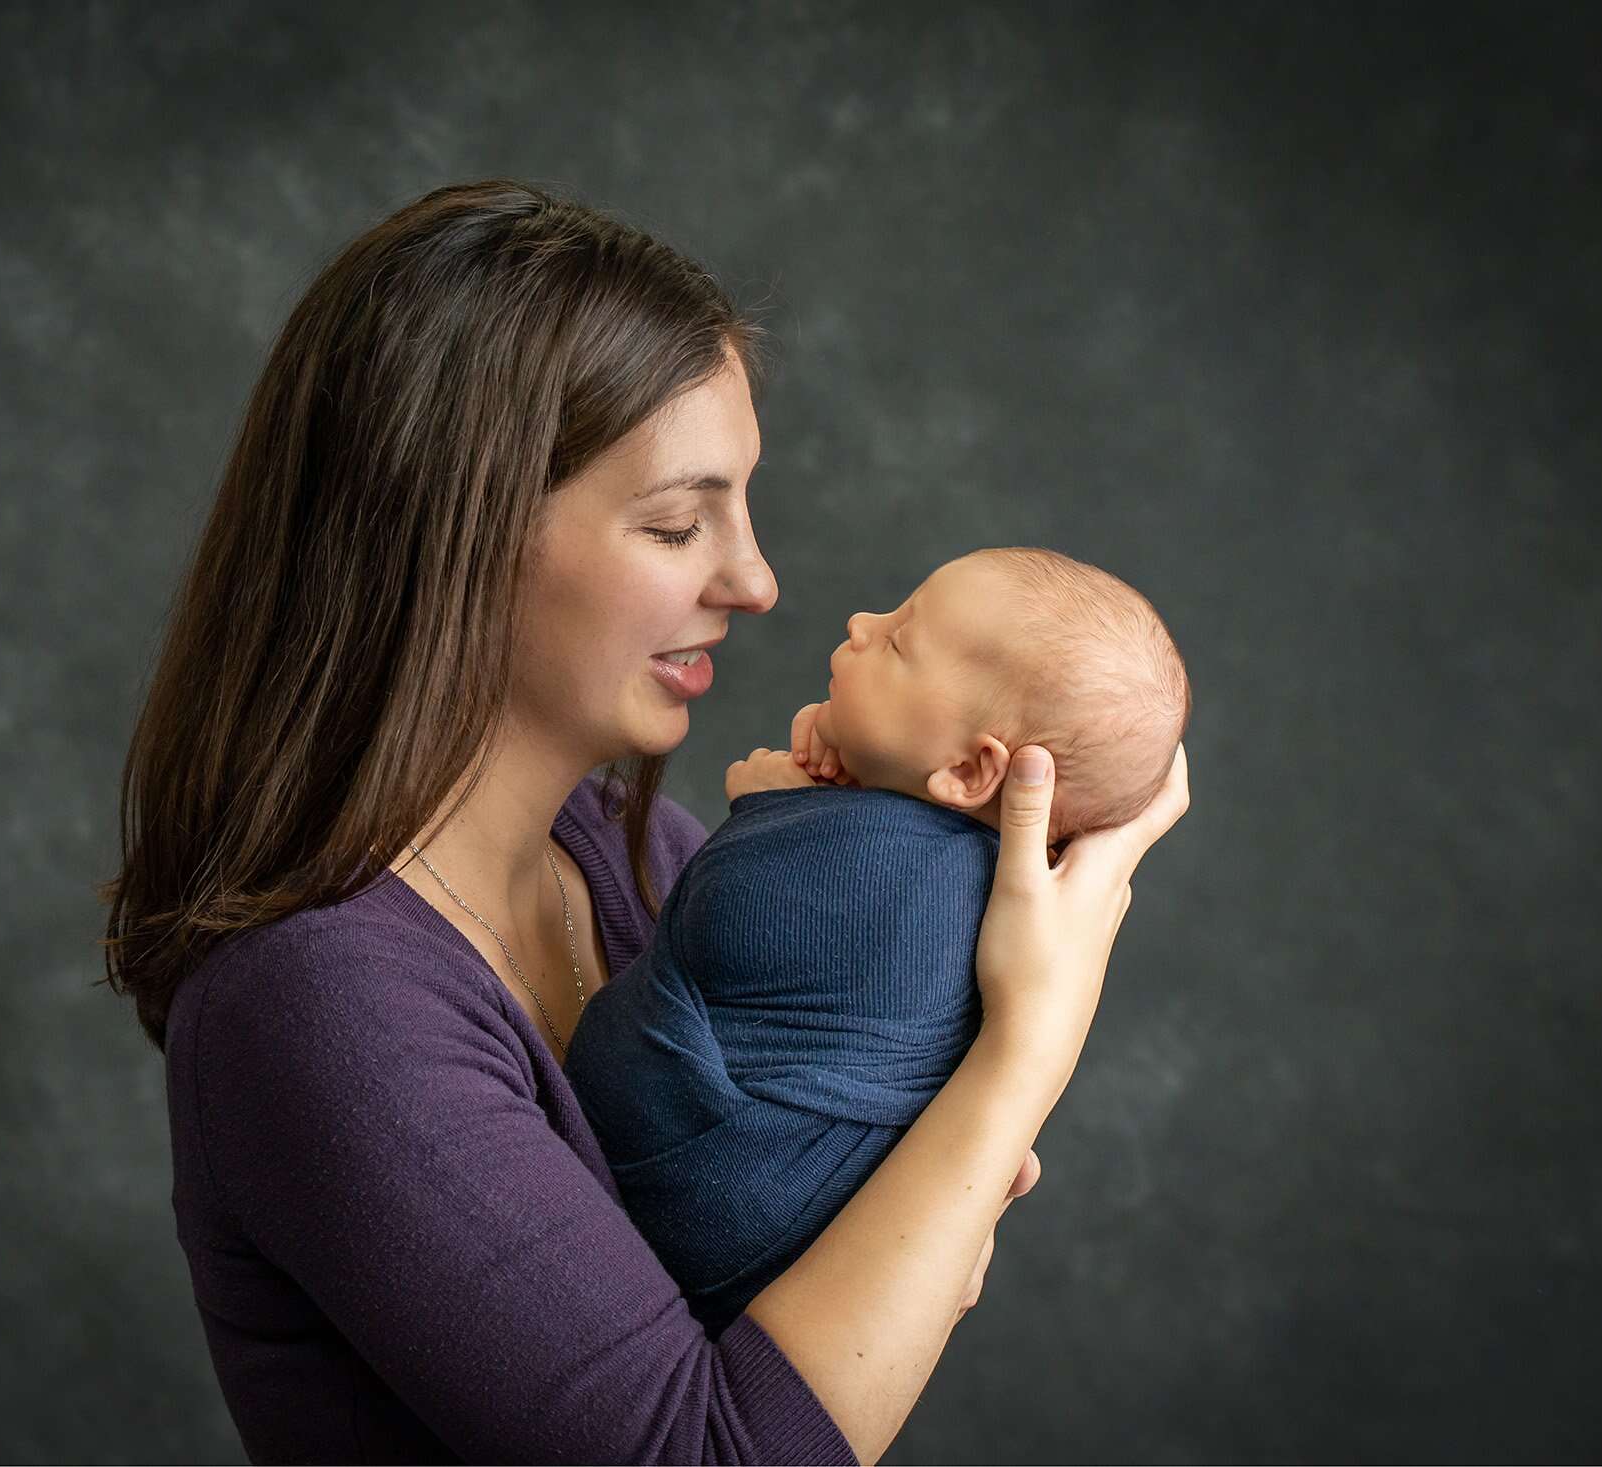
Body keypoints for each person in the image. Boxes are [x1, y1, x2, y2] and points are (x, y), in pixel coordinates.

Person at [98, 177, 1190, 1465]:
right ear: (451, 534)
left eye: (737, 508)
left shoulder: (659, 863)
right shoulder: (317, 1004)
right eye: (677, 522)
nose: (757, 579)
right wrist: (1019, 1061)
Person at [563, 546, 1191, 1332]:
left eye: (898, 640)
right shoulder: (986, 885)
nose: (861, 624)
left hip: (711, 1201)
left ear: (968, 771)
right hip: (807, 1259)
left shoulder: (893, 874)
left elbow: (720, 913)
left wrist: (770, 809)